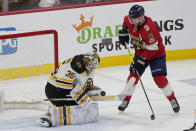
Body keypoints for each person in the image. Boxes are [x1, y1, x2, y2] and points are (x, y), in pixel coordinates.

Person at [118, 4, 180, 113]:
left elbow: (152, 49)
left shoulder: (150, 29)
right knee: (133, 76)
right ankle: (126, 99)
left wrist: (141, 61)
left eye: (135, 18)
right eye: (131, 17)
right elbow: (125, 23)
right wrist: (123, 31)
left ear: (142, 18)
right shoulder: (128, 19)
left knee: (159, 78)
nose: (131, 20)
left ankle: (172, 98)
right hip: (140, 52)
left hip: (156, 54)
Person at [39, 51, 102, 127]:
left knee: (82, 102)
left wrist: (85, 91)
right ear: (86, 60)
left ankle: (57, 110)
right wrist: (79, 96)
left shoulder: (82, 61)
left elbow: (81, 83)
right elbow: (61, 85)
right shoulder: (76, 66)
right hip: (55, 91)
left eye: (94, 65)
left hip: (56, 88)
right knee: (79, 105)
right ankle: (51, 115)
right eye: (91, 64)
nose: (92, 67)